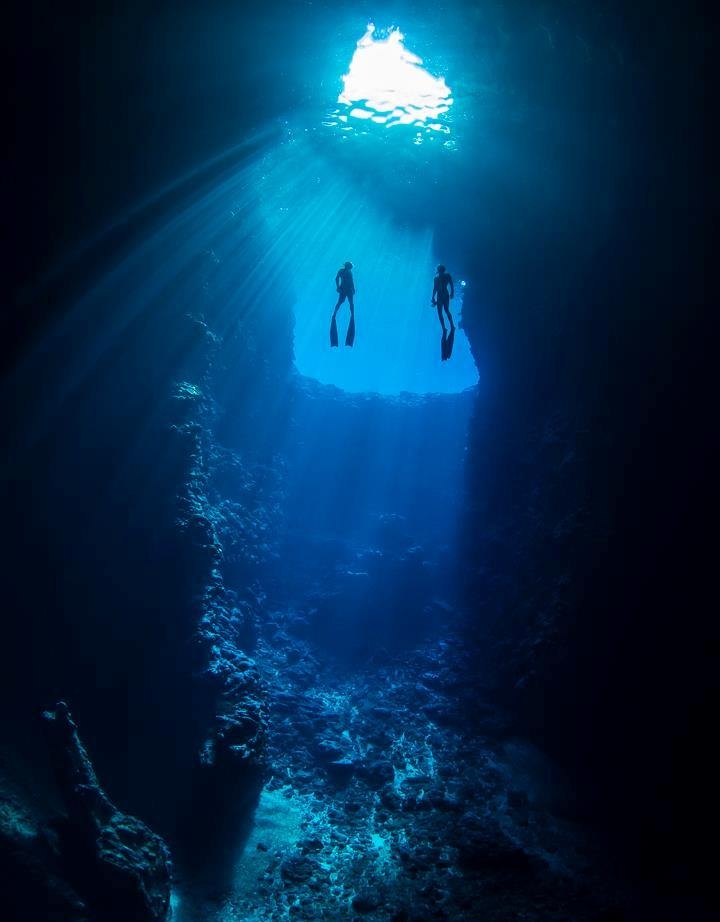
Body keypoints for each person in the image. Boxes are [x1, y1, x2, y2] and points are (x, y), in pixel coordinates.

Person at [331, 261, 356, 347]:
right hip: (345, 289)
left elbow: (351, 282)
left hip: (347, 289)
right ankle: (335, 314)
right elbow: (336, 278)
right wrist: (337, 287)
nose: (349, 268)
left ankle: (352, 314)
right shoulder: (342, 271)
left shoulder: (348, 272)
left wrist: (353, 288)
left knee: (349, 303)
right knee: (341, 302)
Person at [432, 264, 455, 332]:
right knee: (443, 311)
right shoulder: (437, 278)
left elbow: (451, 284)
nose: (440, 272)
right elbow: (435, 288)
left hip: (442, 295)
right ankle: (445, 327)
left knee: (445, 310)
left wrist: (452, 292)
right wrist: (433, 297)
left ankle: (450, 326)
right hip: (442, 295)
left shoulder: (445, 276)